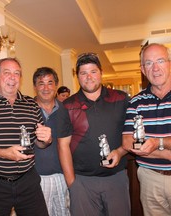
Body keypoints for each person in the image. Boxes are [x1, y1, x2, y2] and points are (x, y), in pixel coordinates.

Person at [0, 57, 51, 216]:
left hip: (28, 182)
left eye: (17, 73)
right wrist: (3, 153)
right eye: (7, 73)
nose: (13, 78)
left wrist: (46, 139)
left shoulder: (31, 104)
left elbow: (40, 144)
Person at [57, 52, 131, 216]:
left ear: (101, 73)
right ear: (77, 77)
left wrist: (120, 152)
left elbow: (132, 135)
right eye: (83, 73)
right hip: (82, 181)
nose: (88, 77)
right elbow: (63, 146)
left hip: (116, 178)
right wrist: (72, 184)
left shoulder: (121, 99)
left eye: (93, 71)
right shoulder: (68, 105)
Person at [122, 43, 171, 216]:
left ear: (169, 63)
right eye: (149, 63)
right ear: (143, 69)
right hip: (149, 179)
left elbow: (139, 145)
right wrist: (166, 152)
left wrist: (157, 142)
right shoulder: (136, 102)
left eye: (160, 61)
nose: (155, 68)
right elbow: (128, 141)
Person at [33, 67, 72, 216]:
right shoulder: (26, 109)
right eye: (41, 83)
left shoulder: (66, 110)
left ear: (56, 85)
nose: (46, 88)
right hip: (37, 179)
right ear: (35, 87)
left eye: (50, 83)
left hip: (63, 176)